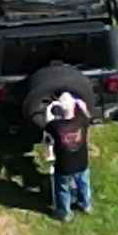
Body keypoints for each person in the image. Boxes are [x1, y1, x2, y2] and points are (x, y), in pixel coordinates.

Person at [38, 90, 94, 220]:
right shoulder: (82, 121)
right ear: (74, 106)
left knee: (62, 189)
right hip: (82, 163)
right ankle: (85, 205)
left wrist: (49, 108)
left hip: (64, 166)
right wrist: (78, 102)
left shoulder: (55, 126)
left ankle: (65, 213)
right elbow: (86, 113)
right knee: (84, 184)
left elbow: (47, 126)